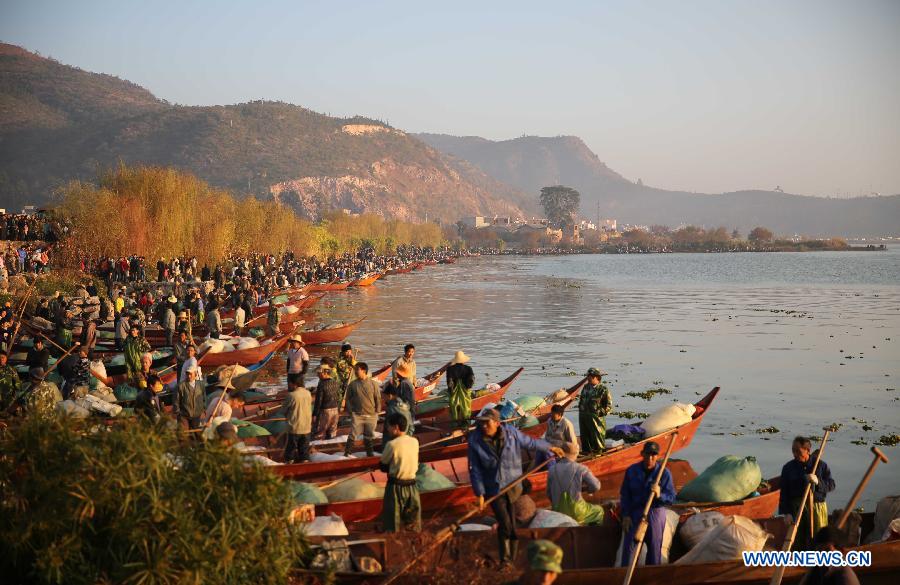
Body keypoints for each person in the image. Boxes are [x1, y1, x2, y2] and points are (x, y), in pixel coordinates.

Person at [467, 408, 564, 566]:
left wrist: (550, 447)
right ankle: (505, 561)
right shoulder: (475, 441)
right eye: (482, 423)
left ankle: (510, 558)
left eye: (487, 423)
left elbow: (530, 442)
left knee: (511, 524)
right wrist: (480, 494)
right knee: (504, 523)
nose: (484, 426)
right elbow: (475, 469)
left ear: (497, 423)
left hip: (513, 486)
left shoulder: (511, 433)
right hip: (494, 489)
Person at [619, 441, 676, 567]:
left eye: (654, 455)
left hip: (655, 514)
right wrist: (626, 515)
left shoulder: (664, 473)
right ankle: (625, 576)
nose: (650, 458)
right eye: (648, 454)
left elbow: (671, 499)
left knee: (654, 553)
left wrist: (660, 494)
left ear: (657, 456)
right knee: (628, 552)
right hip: (635, 514)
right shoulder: (631, 471)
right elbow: (625, 496)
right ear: (642, 454)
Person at [779, 436, 836, 550]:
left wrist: (818, 481)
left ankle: (819, 564)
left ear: (807, 451)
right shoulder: (788, 468)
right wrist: (786, 513)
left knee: (819, 538)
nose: (794, 454)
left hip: (817, 507)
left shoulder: (820, 465)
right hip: (796, 507)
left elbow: (831, 485)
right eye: (793, 450)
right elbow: (784, 492)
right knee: (797, 539)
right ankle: (798, 563)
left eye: (798, 451)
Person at [379, 412, 421, 532]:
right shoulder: (414, 442)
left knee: (392, 523)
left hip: (395, 487)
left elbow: (383, 466)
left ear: (396, 427)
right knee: (413, 523)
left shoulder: (392, 445)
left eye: (389, 426)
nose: (387, 429)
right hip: (412, 487)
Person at [546, 441, 604, 525]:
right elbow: (596, 486)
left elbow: (548, 493)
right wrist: (588, 490)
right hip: (577, 512)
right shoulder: (581, 468)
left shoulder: (551, 470)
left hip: (558, 513)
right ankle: (592, 534)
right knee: (599, 511)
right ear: (575, 454)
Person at [343, 362, 381, 457]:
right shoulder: (352, 384)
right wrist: (351, 412)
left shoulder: (373, 384)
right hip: (357, 415)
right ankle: (347, 454)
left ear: (364, 371)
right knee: (352, 435)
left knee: (368, 436)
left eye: (357, 370)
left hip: (371, 415)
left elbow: (378, 398)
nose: (355, 372)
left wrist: (377, 411)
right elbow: (347, 399)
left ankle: (370, 455)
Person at [578, 367, 612, 455]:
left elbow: (608, 406)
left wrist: (599, 412)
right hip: (583, 416)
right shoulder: (585, 387)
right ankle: (586, 453)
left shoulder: (603, 389)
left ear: (597, 378)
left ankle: (599, 453)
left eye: (591, 376)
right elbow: (581, 399)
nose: (589, 378)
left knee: (597, 437)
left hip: (596, 419)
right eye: (588, 376)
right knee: (585, 436)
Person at [283, 378, 313, 463]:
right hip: (306, 427)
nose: (289, 385)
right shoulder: (308, 393)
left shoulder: (291, 395)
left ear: (294, 384)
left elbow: (283, 410)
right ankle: (305, 466)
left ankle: (290, 465)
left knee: (290, 452)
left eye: (289, 383)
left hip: (295, 428)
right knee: (304, 453)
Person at [312, 358, 341, 439]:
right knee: (332, 433)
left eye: (319, 373)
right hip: (335, 410)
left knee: (319, 433)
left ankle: (316, 448)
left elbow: (318, 401)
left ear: (325, 373)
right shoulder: (335, 382)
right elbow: (338, 397)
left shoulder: (322, 384)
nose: (318, 375)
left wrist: (314, 414)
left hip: (325, 412)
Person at [446, 350, 474, 430]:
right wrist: (468, 387)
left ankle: (455, 422)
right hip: (465, 389)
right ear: (463, 360)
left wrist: (451, 391)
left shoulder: (450, 369)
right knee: (466, 404)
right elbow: (471, 379)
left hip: (454, 389)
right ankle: (466, 422)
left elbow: (449, 381)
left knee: (453, 404)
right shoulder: (468, 369)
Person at [174, 363, 206, 431]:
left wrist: (204, 410)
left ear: (195, 374)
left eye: (191, 374)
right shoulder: (180, 386)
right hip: (184, 415)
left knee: (195, 434)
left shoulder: (201, 385)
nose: (189, 376)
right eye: (187, 374)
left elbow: (204, 398)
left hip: (197, 415)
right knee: (183, 433)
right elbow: (176, 401)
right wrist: (178, 413)